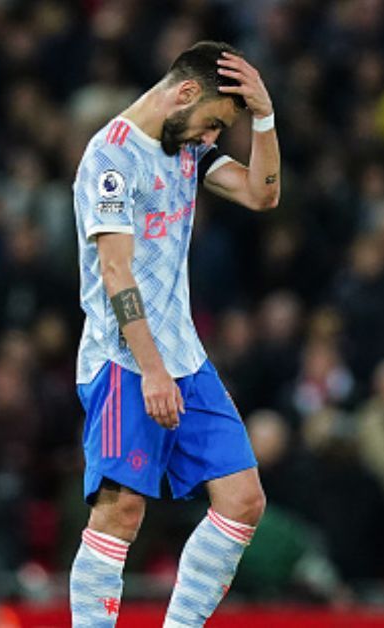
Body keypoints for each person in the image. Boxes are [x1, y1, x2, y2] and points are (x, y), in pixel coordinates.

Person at [68, 41, 279, 628]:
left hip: (185, 353)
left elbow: (262, 193)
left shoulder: (185, 146)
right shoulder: (110, 159)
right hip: (122, 361)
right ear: (185, 93)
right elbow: (116, 272)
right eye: (214, 121)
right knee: (121, 510)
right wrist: (152, 369)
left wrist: (262, 115)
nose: (211, 136)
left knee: (242, 501)